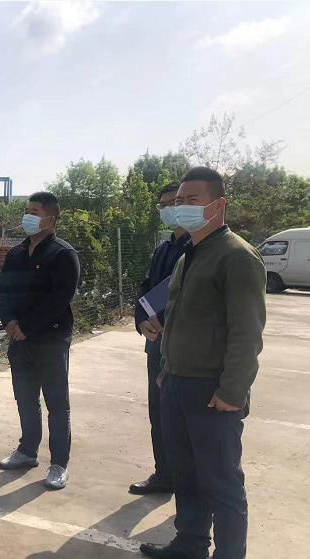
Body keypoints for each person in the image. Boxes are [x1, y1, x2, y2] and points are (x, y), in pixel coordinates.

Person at [140, 167, 266, 559]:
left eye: (191, 200)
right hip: (177, 383)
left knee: (221, 482)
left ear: (218, 204)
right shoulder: (188, 257)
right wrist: (166, 372)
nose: (181, 207)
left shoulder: (237, 257)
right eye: (178, 200)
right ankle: (190, 543)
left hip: (212, 391)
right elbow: (175, 321)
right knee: (187, 475)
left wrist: (232, 392)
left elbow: (247, 333)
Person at [0, 192, 80, 490]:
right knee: (25, 397)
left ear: (50, 219)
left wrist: (27, 327)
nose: (27, 217)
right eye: (27, 211)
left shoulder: (63, 255)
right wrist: (9, 321)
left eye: (34, 212)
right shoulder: (16, 253)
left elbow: (59, 299)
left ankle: (59, 463)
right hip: (19, 339)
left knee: (56, 402)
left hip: (50, 339)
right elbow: (2, 289)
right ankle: (27, 451)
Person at [129, 183, 190, 496]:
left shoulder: (199, 248)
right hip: (156, 344)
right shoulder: (163, 249)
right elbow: (146, 288)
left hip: (186, 347)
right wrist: (142, 320)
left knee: (187, 417)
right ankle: (164, 474)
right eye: (163, 204)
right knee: (159, 411)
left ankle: (190, 485)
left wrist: (161, 319)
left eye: (175, 202)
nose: (169, 209)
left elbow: (188, 297)